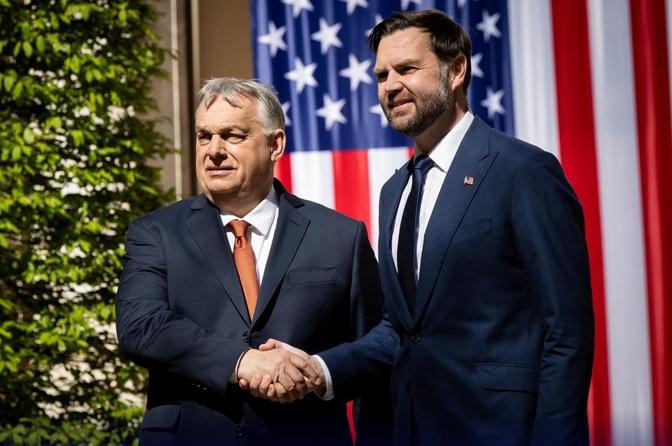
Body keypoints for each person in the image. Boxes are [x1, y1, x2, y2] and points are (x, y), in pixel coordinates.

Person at [248, 9, 595, 446]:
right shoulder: (394, 190)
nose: (390, 85)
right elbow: (402, 330)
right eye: (381, 75)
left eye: (407, 68)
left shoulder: (524, 171)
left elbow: (567, 331)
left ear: (456, 70)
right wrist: (319, 369)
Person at [115, 77, 392, 445]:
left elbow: (375, 348)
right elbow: (140, 325)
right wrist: (242, 361)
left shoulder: (339, 235)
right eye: (204, 137)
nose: (214, 150)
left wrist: (319, 371)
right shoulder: (156, 232)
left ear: (275, 144)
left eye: (232, 135)